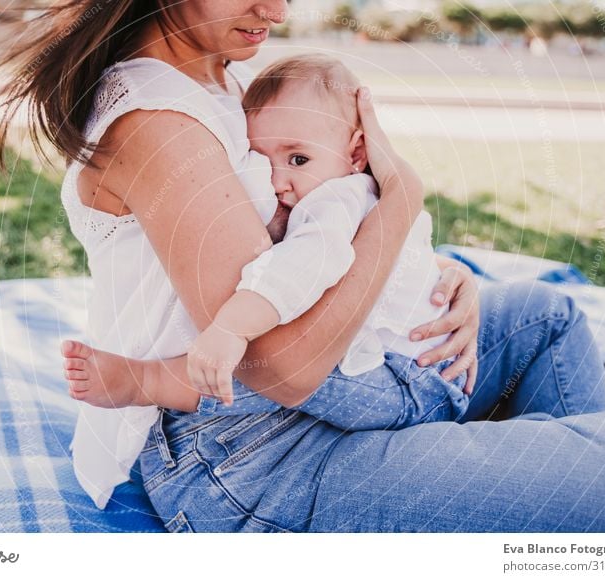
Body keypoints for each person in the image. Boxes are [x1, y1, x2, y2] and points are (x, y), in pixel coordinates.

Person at [0, 0, 605, 531]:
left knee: (548, 316)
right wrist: (401, 200)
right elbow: (281, 368)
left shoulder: (219, 80)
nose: (279, 9)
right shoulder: (158, 123)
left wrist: (434, 277)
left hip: (351, 376)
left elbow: (319, 222)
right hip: (253, 456)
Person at [61, 54, 470, 434]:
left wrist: (231, 326)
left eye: (297, 160)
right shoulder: (343, 185)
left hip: (409, 379)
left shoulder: (335, 201)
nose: (277, 182)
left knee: (256, 368)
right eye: (263, 159)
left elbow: (300, 268)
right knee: (270, 367)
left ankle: (151, 380)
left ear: (358, 152)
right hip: (418, 355)